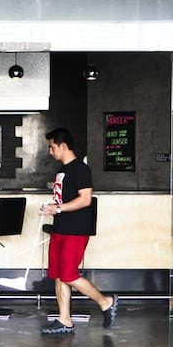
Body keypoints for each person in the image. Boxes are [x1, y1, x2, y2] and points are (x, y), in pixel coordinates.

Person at [39, 127, 118, 334]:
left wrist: (57, 208)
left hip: (76, 230)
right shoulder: (62, 171)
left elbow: (85, 199)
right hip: (61, 228)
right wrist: (53, 208)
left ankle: (106, 302)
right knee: (58, 274)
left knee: (68, 274)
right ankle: (64, 320)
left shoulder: (81, 169)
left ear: (62, 146)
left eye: (52, 147)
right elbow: (65, 200)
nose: (50, 151)